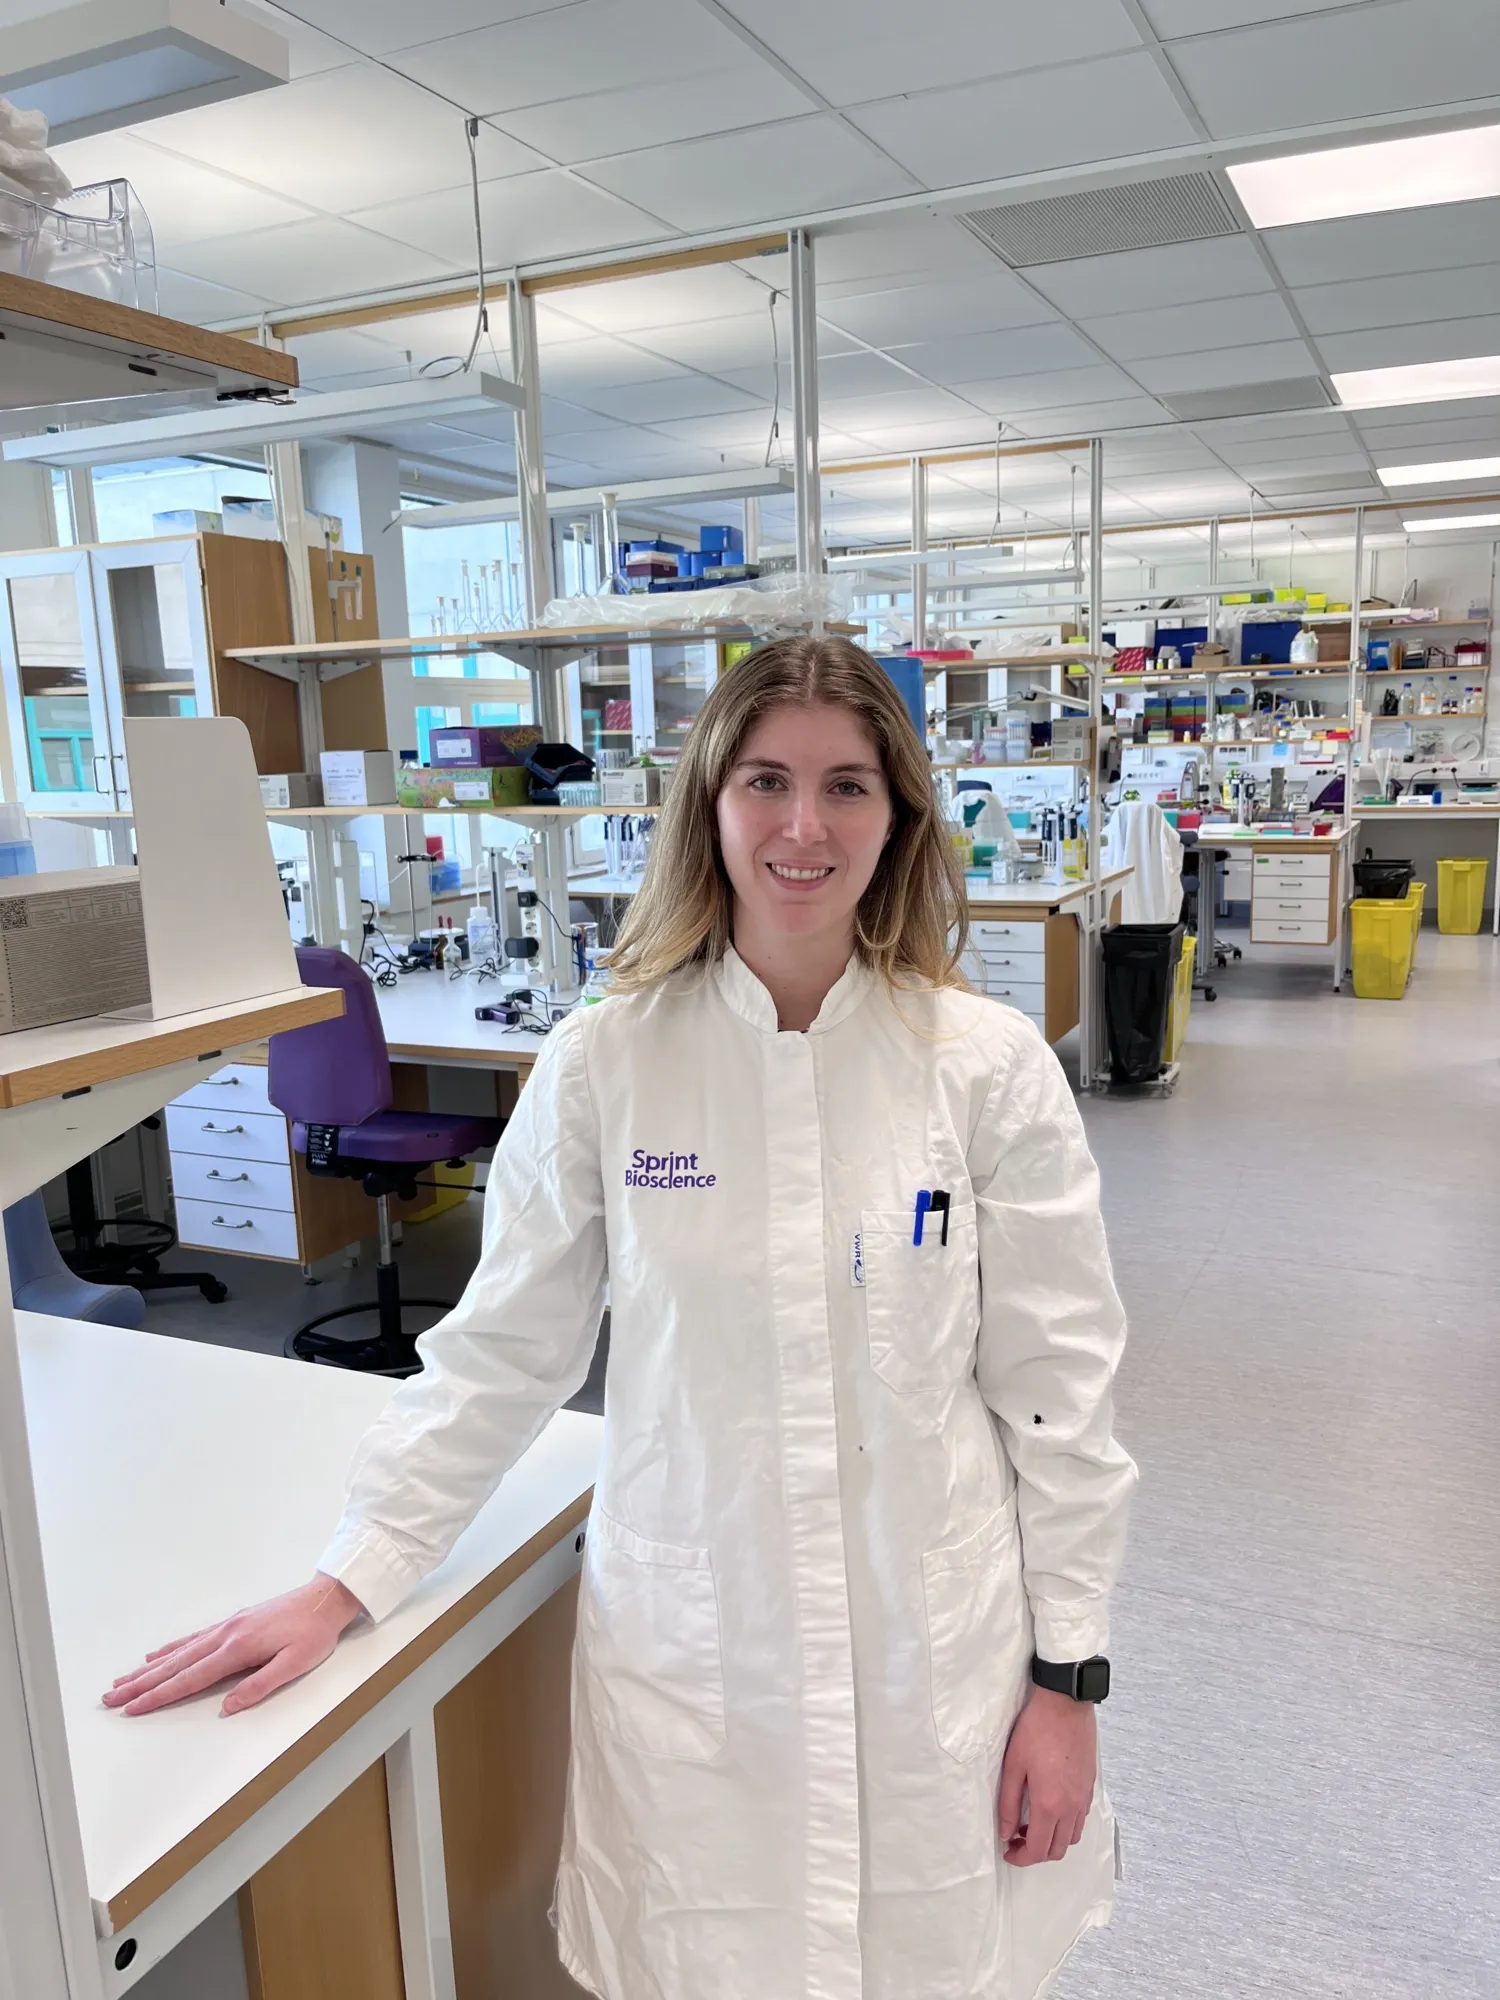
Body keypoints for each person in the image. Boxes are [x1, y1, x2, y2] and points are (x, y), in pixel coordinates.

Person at [107, 636, 1137, 2000]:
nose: (802, 827)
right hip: (698, 1651)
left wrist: (1067, 1685)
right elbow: (506, 1348)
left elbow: (1061, 1399)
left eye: (847, 787)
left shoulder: (985, 1069)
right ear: (709, 801)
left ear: (898, 820)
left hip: (931, 1655)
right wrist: (351, 1571)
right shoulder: (611, 1056)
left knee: (929, 1967)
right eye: (766, 780)